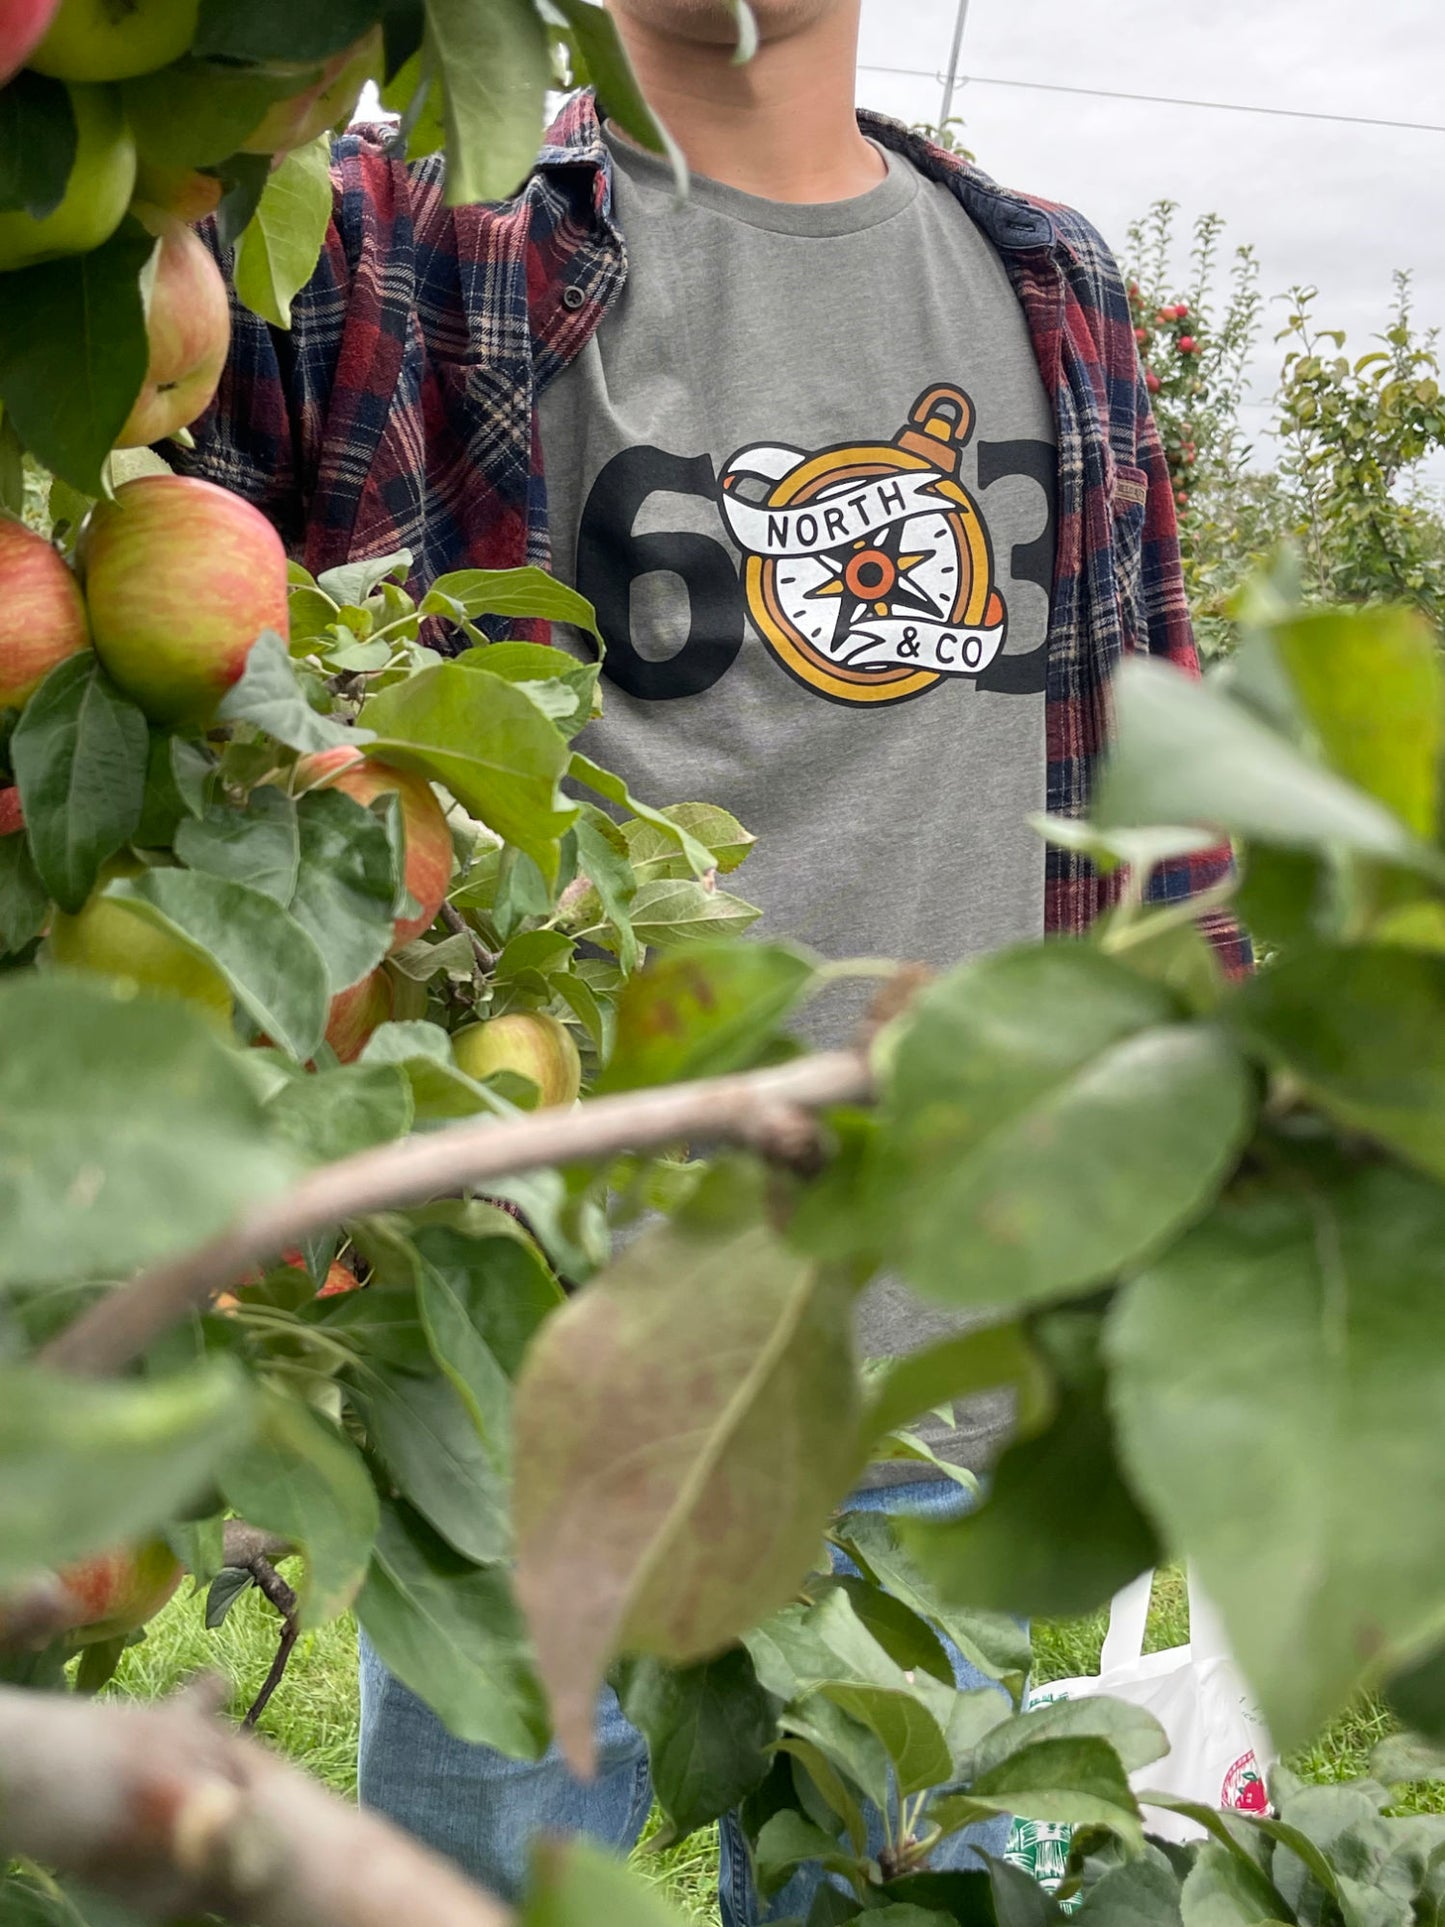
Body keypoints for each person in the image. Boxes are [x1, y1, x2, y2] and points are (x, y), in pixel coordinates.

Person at [180, 0, 1247, 1915]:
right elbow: (174, 527)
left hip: (943, 1385)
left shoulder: (1051, 287)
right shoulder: (406, 232)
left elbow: (1157, 775)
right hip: (548, 1377)